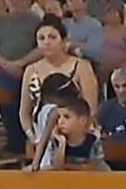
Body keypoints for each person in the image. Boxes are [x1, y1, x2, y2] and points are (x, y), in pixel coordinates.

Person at [21, 15, 98, 155]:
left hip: (78, 137)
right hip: (42, 136)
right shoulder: (31, 70)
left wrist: (76, 138)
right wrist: (35, 138)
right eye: (41, 38)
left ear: (63, 41)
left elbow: (90, 108)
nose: (47, 42)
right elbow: (24, 112)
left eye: (52, 37)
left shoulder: (81, 66)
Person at [0, 0, 43, 153]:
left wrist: (20, 63)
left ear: (26, 0)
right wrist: (4, 63)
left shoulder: (36, 21)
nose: (14, 2)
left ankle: (31, 144)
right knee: (7, 109)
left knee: (29, 109)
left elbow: (40, 47)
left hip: (29, 71)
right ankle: (14, 145)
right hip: (5, 72)